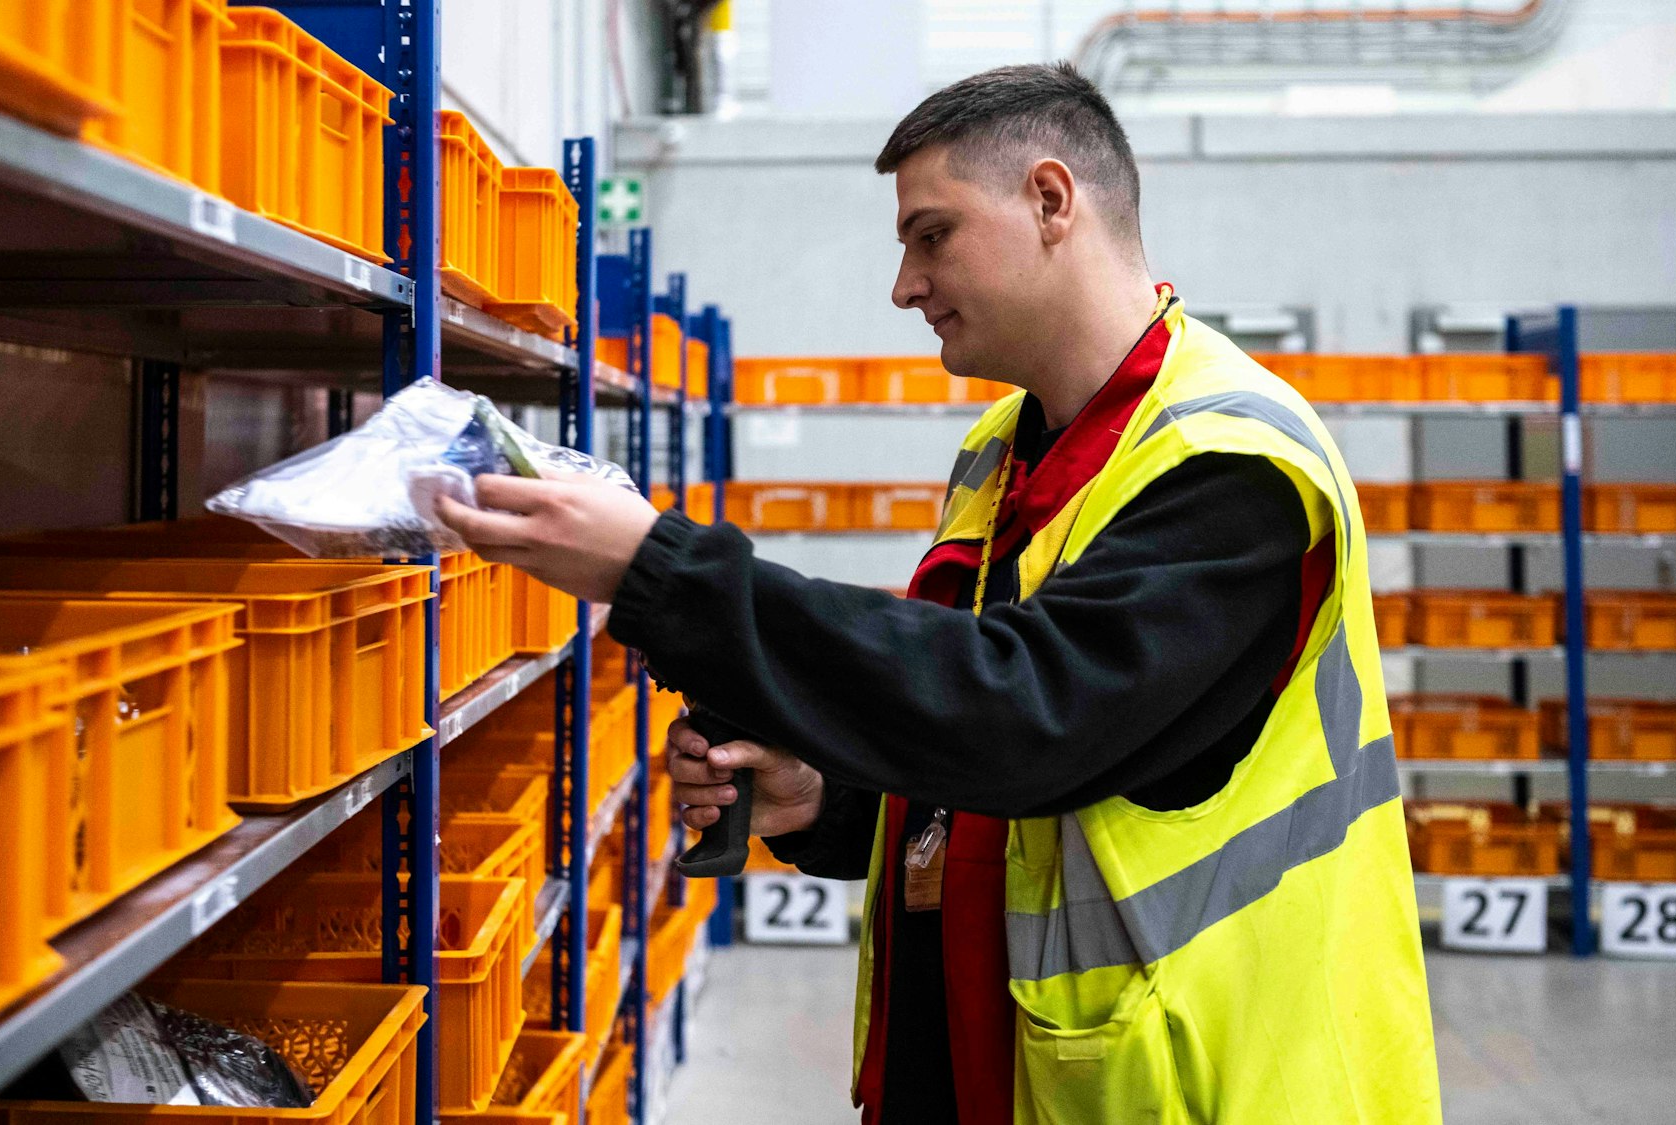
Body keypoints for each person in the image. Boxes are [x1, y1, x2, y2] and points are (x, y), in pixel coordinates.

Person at [438, 62, 1441, 1125]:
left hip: (1206, 1086)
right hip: (989, 1067)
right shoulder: (1003, 453)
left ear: (1050, 201)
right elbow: (964, 730)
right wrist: (828, 803)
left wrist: (660, 571)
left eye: (931, 235)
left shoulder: (1230, 465)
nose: (904, 285)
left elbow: (1030, 716)